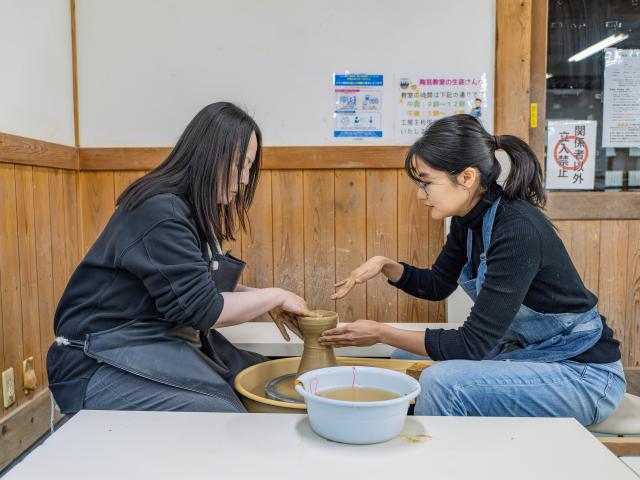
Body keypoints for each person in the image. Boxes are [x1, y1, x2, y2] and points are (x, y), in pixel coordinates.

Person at [320, 114, 626, 425]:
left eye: (426, 182)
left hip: (584, 375)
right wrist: (386, 266)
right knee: (406, 357)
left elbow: (472, 343)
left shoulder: (517, 229)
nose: (420, 195)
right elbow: (438, 285)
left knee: (442, 382)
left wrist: (381, 333)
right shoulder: (468, 219)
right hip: (531, 354)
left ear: (467, 177)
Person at [47, 102, 308, 414]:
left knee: (258, 377)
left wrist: (272, 301)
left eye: (250, 168)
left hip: (151, 343)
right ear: (208, 155)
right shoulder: (161, 212)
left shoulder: (189, 210)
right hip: (95, 361)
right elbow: (205, 310)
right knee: (225, 412)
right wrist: (275, 295)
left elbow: (197, 289)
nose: (245, 180)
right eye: (241, 165)